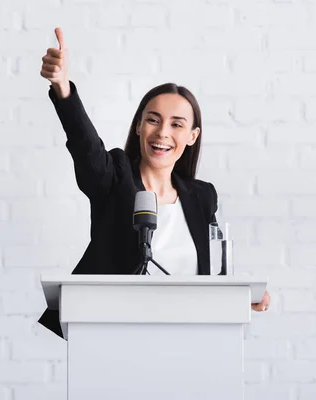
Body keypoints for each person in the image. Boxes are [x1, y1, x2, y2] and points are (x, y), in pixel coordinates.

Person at [37, 27, 271, 339]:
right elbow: (86, 147)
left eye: (177, 124)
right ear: (138, 127)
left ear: (192, 137)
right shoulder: (115, 177)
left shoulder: (203, 197)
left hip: (190, 338)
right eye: (153, 119)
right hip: (113, 336)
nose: (162, 133)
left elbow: (211, 276)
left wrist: (242, 297)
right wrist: (63, 90)